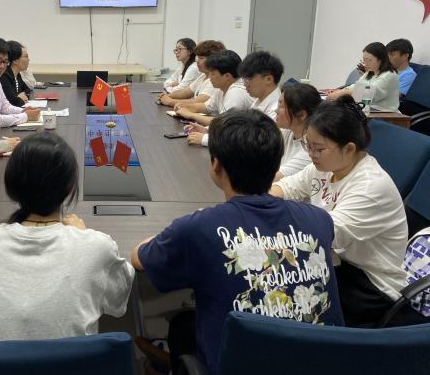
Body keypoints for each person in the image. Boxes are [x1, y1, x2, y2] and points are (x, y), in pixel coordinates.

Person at [132, 109, 343, 375]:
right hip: (324, 362)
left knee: (185, 325)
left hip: (245, 365)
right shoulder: (319, 219)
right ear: (275, 165)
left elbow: (138, 257)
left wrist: (181, 229)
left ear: (216, 166)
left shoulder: (198, 229)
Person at [0, 132, 134, 340]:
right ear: (69, 188)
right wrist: (83, 236)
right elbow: (118, 303)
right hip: (74, 359)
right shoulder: (98, 246)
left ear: (11, 185)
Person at [270, 95, 410, 327]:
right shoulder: (325, 166)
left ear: (349, 148)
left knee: (278, 291)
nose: (311, 154)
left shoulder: (370, 186)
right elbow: (286, 187)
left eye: (318, 148)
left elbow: (324, 233)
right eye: (308, 145)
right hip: (335, 264)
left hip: (369, 286)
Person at [176, 50, 253, 146]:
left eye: (213, 74)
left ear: (227, 76)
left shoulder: (236, 92)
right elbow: (206, 106)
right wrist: (185, 106)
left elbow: (224, 124)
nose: (209, 78)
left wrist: (191, 115)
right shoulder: (222, 88)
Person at [327, 42, 399, 111]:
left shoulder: (389, 75)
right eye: (364, 60)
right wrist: (341, 91)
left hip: (384, 112)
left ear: (381, 59)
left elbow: (371, 93)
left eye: (369, 60)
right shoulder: (370, 72)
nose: (365, 64)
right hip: (367, 109)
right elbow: (357, 85)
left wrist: (343, 93)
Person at [274, 83, 322, 181]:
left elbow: (273, 179)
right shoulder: (287, 131)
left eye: (281, 106)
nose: (276, 110)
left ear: (301, 115)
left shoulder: (310, 150)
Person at [158, 40, 225, 107]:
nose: (197, 61)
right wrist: (168, 96)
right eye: (197, 57)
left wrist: (169, 101)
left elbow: (198, 102)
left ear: (213, 60)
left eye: (201, 58)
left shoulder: (215, 80)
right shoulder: (203, 76)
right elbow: (185, 92)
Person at [238, 51, 283, 120]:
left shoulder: (275, 111)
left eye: (249, 79)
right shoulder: (259, 100)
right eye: (244, 79)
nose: (245, 84)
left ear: (268, 79)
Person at [0, 40, 32, 107]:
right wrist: (19, 99)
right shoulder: (4, 76)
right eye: (26, 56)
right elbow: (12, 103)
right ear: (15, 61)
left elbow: (27, 89)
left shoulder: (17, 74)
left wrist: (20, 97)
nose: (29, 60)